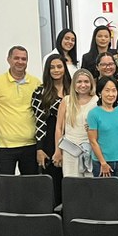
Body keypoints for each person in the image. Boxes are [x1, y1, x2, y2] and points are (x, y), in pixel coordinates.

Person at [0, 46, 41, 175]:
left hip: (30, 145)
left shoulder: (36, 83)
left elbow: (40, 113)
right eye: (16, 58)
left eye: (24, 59)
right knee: (5, 188)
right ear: (8, 59)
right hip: (3, 146)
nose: (20, 62)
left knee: (31, 188)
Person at [31, 54, 70, 203]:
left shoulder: (73, 89)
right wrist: (40, 149)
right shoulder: (40, 92)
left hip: (72, 140)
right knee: (53, 186)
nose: (56, 70)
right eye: (52, 67)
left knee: (70, 182)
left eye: (59, 66)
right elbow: (39, 122)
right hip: (49, 142)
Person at [87, 76, 118, 177]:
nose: (111, 94)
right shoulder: (93, 113)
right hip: (102, 162)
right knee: (104, 192)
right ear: (100, 93)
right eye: (107, 90)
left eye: (114, 90)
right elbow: (93, 141)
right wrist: (103, 163)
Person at [54, 69, 96, 177]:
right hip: (69, 150)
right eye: (79, 82)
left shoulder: (97, 101)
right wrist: (58, 150)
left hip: (89, 149)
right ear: (74, 84)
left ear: (91, 83)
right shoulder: (66, 101)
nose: (83, 85)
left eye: (86, 81)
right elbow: (59, 128)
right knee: (72, 185)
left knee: (90, 185)